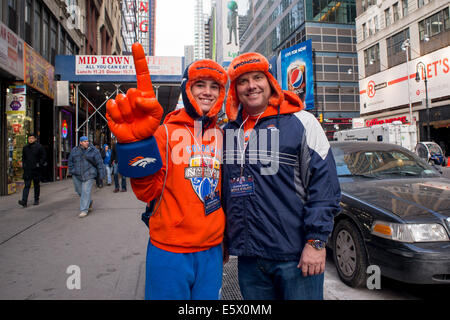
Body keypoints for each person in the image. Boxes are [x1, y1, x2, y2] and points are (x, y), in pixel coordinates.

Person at [106, 43, 228, 300]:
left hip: (212, 251)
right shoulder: (165, 132)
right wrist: (136, 144)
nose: (207, 92)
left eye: (214, 86)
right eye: (200, 85)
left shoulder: (224, 136)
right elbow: (146, 191)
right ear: (187, 88)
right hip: (169, 250)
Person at [221, 52, 341, 300]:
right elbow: (222, 191)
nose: (251, 85)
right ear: (235, 89)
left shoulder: (302, 121)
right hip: (249, 259)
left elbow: (325, 187)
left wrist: (316, 242)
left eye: (257, 78)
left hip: (295, 257)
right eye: (243, 81)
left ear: (270, 82)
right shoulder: (228, 131)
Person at [68, 136, 105, 218]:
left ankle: (84, 210)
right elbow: (70, 161)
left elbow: (99, 163)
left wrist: (101, 175)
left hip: (89, 174)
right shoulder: (74, 150)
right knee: (79, 191)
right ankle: (89, 201)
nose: (86, 143)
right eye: (84, 141)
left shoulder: (94, 151)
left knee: (86, 191)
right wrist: (72, 171)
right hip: (77, 174)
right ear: (80, 142)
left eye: (87, 141)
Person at [18, 133, 46, 207]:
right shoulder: (25, 148)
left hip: (36, 170)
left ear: (35, 139)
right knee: (27, 185)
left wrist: (39, 164)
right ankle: (24, 201)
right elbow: (23, 157)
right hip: (27, 170)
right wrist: (24, 165)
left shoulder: (39, 147)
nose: (30, 140)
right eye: (29, 138)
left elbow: (43, 157)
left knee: (36, 185)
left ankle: (36, 199)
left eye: (32, 138)